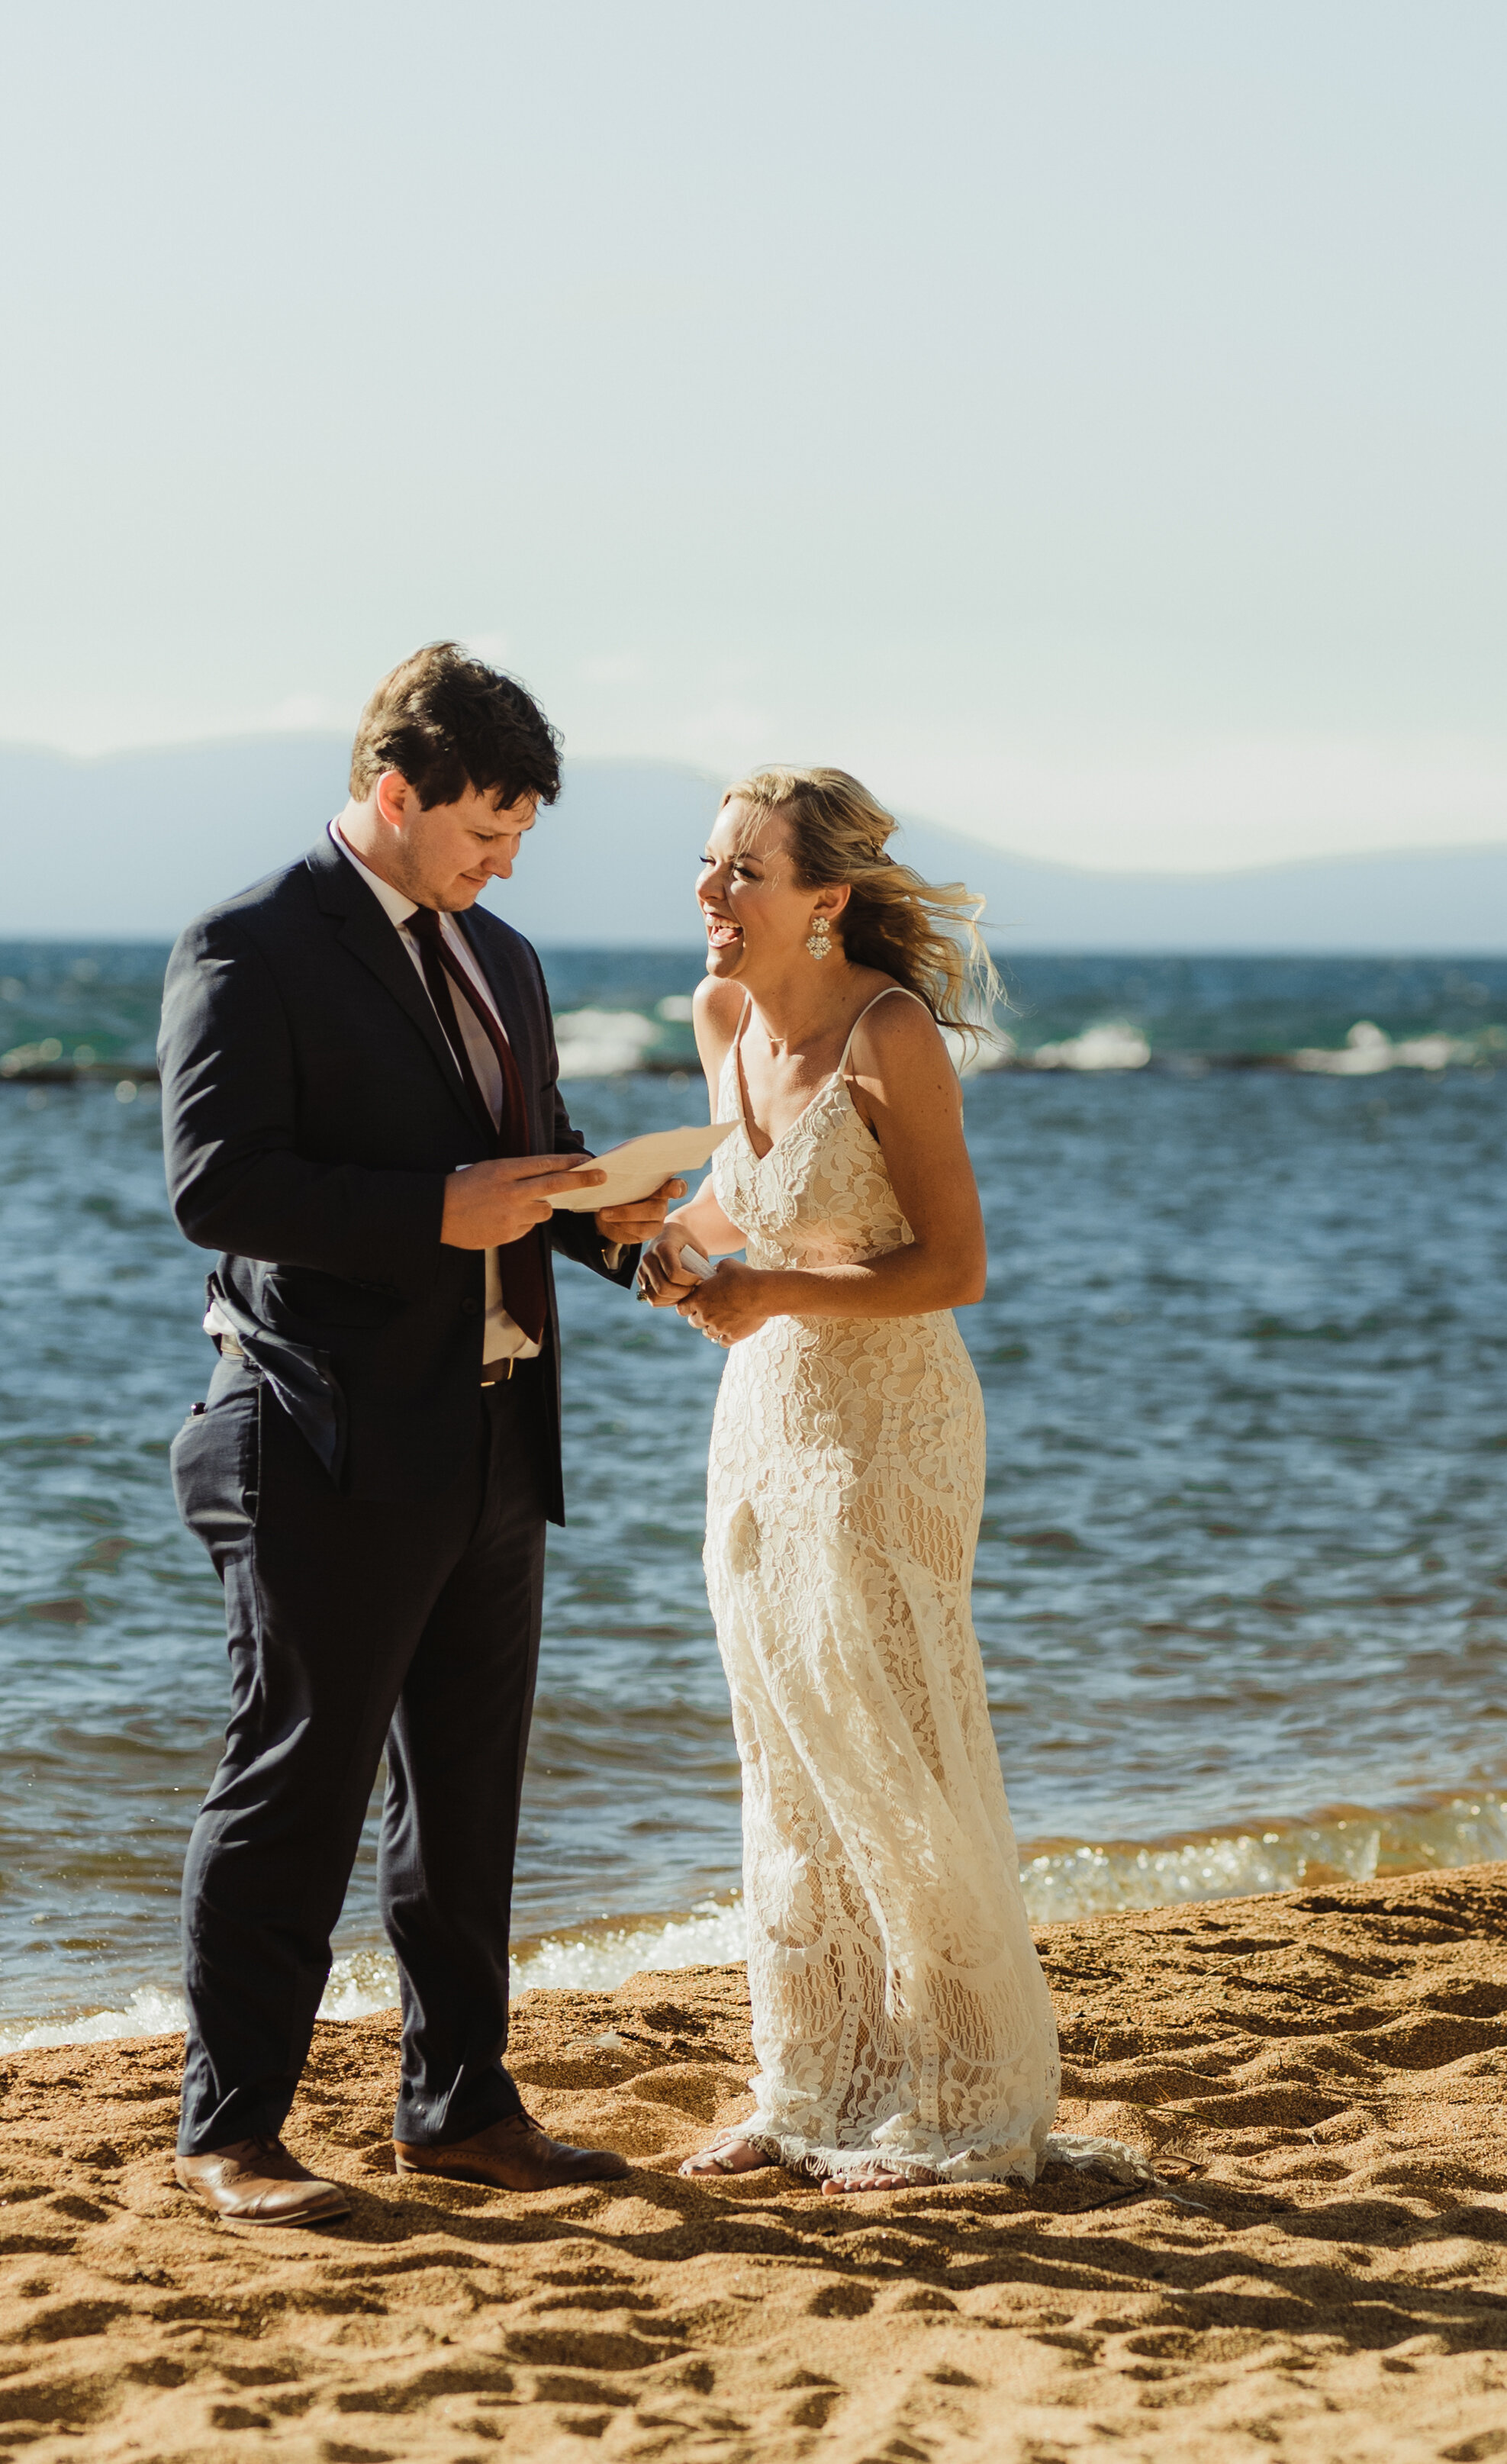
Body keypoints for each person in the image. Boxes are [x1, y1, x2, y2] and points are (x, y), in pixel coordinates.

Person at [158, 643, 682, 2227]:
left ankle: (457, 2108)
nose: (502, 861)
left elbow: (532, 1158)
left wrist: (624, 1233)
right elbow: (217, 1184)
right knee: (294, 1784)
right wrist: (429, 1214)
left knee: (464, 1802)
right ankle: (231, 2132)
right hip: (314, 1430)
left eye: (518, 835)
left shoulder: (503, 956)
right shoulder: (250, 943)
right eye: (481, 830)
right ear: (394, 793)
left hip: (494, 1436)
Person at [639, 765, 1068, 2191]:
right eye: (707, 865)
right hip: (760, 1414)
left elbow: (955, 1265)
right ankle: (807, 2082)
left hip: (891, 1424)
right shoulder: (720, 1018)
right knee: (787, 1745)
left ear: (823, 899)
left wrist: (766, 1285)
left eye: (741, 871)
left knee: (893, 1738)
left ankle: (964, 2100)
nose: (711, 892)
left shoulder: (891, 1034)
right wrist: (657, 1234)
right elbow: (737, 1209)